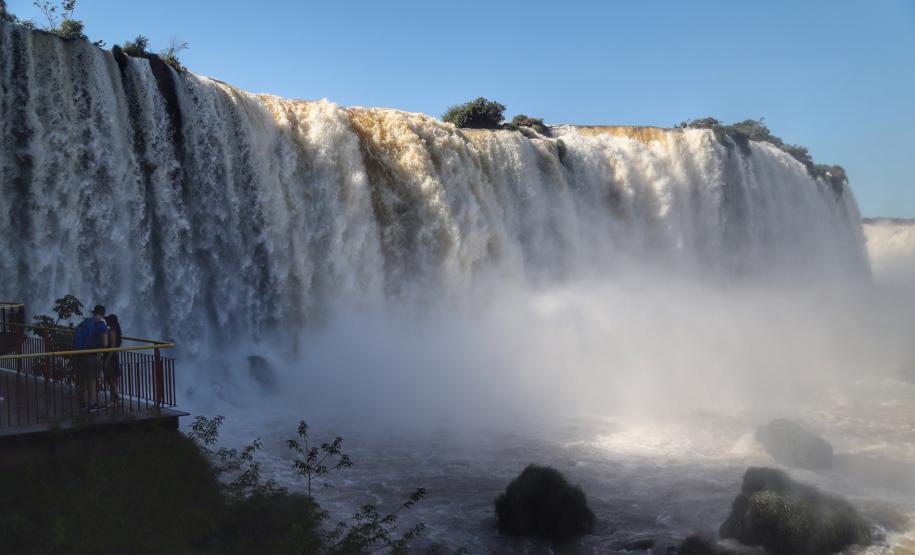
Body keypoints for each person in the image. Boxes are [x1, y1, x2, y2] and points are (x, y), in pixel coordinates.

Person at [73, 304, 109, 411]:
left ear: (94, 312)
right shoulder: (101, 325)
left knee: (82, 381)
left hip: (80, 355)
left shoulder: (86, 322)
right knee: (92, 380)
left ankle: (82, 403)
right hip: (92, 356)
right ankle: (92, 404)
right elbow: (105, 343)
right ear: (103, 314)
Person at [103, 314, 122, 405]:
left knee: (111, 379)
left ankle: (115, 399)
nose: (106, 322)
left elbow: (112, 348)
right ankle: (114, 399)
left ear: (110, 322)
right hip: (113, 357)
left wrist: (107, 360)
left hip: (111, 357)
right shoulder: (115, 331)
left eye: (107, 320)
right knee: (111, 379)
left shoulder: (112, 332)